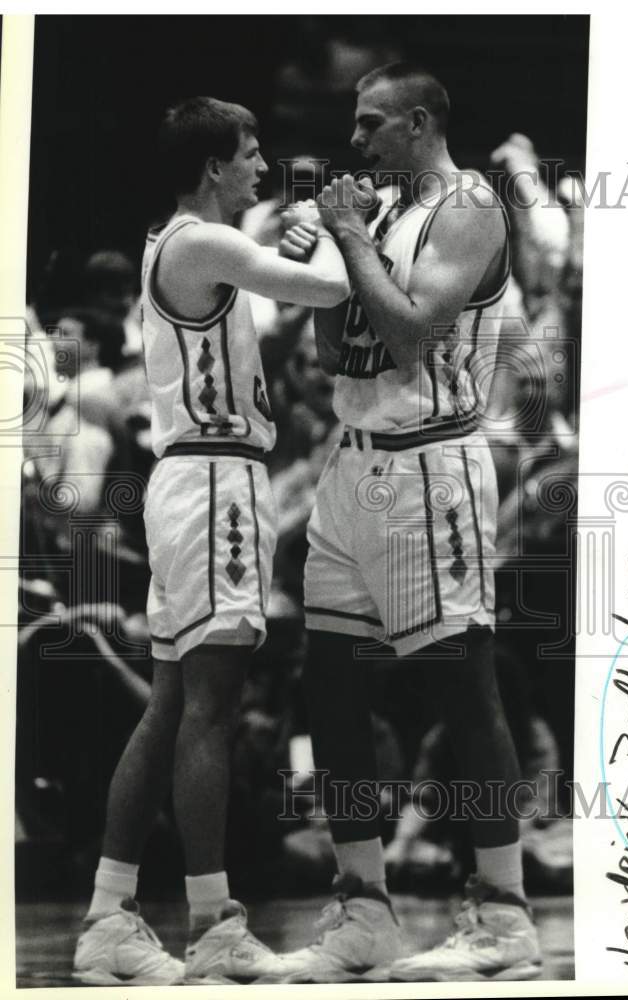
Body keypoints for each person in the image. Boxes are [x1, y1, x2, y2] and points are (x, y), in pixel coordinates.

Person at [271, 63, 542, 983]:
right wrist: (326, 248)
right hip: (352, 468)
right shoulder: (382, 213)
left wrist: (346, 233)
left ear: (419, 122)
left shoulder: (467, 205)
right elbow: (336, 345)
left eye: (372, 124)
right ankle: (363, 911)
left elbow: (411, 334)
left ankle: (503, 915)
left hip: (433, 463)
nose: (357, 141)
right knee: (331, 686)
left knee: (461, 687)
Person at [73, 95, 349, 986]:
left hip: (194, 483)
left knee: (171, 706)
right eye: (250, 152)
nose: (262, 167)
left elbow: (261, 305)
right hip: (214, 483)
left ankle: (109, 917)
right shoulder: (197, 242)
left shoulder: (186, 247)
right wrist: (342, 226)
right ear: (211, 168)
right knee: (211, 709)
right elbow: (330, 291)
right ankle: (213, 923)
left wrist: (292, 249)